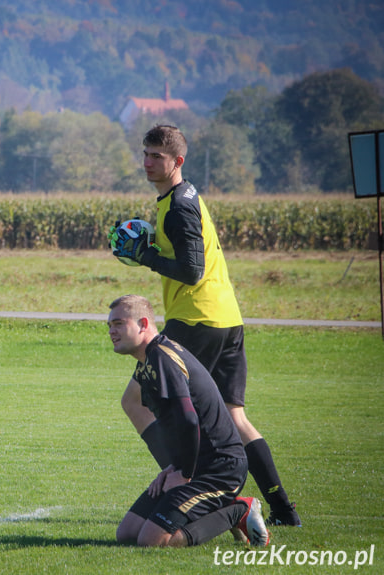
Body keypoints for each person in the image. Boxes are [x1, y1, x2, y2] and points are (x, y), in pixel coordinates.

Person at [110, 124, 301, 527]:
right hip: (226, 317)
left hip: (197, 319)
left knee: (134, 401)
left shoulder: (178, 206)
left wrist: (146, 256)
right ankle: (283, 508)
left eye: (157, 156)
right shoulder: (184, 195)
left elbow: (192, 271)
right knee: (234, 418)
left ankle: (187, 482)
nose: (147, 162)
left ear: (177, 161)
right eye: (145, 154)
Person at [108, 295, 270, 548]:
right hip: (196, 465)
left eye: (118, 323)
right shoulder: (149, 359)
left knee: (152, 541)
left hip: (220, 471)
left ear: (142, 323)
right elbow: (176, 424)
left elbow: (188, 419)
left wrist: (184, 473)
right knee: (127, 534)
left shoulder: (163, 358)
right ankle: (220, 507)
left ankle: (238, 510)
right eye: (109, 326)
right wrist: (173, 468)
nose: (112, 331)